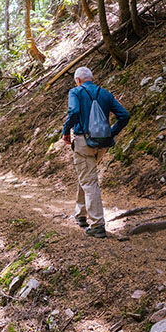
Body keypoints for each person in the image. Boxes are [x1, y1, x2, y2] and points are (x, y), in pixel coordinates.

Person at [62, 67, 130, 238]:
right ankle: (80, 215)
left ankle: (98, 224)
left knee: (89, 180)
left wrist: (65, 131)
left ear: (78, 80)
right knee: (86, 176)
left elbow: (74, 111)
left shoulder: (75, 92)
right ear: (91, 78)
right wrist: (111, 132)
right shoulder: (105, 93)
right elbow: (124, 115)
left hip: (83, 142)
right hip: (102, 143)